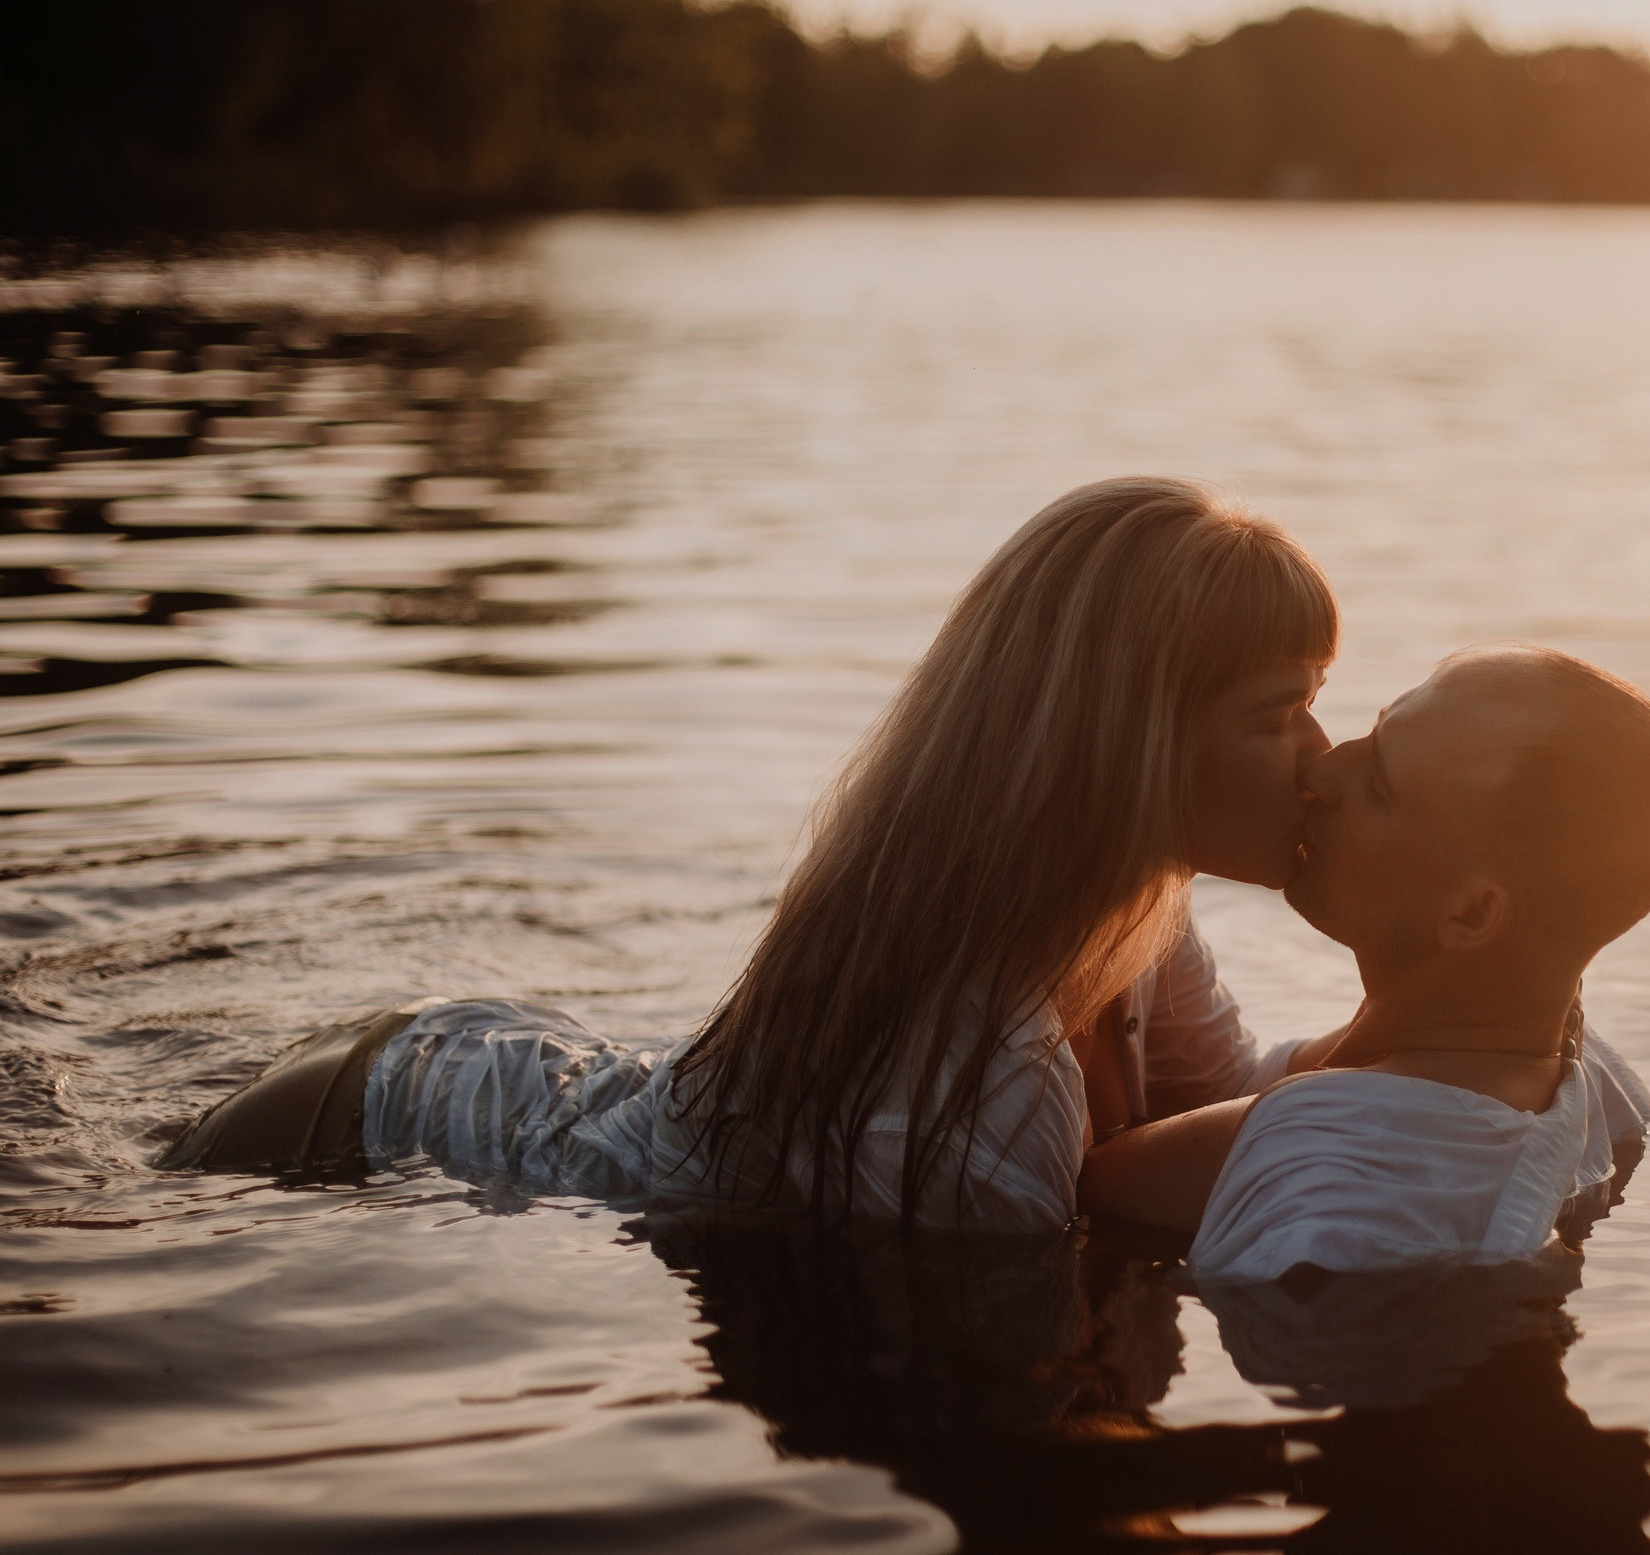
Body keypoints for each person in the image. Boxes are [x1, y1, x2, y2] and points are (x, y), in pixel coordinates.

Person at [163, 477, 1345, 1231]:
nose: (1319, 750)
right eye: (1276, 711)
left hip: (509, 1061)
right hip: (366, 1115)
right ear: (1129, 741)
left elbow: (1244, 1094)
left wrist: (1479, 1038)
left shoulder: (1135, 924)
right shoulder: (983, 1080)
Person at [1077, 645, 1650, 1279]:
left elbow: (1060, 1186)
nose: (1322, 770)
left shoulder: (1326, 1170)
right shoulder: (1594, 1083)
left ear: (1472, 915)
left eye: (1377, 784)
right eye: (1369, 732)